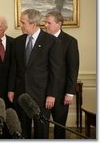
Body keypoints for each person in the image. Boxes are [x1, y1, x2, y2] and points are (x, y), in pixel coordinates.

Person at [8, 9, 63, 139]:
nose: (20, 25)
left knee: (41, 131)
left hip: (42, 95)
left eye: (23, 22)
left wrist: (51, 94)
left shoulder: (52, 41)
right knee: (23, 130)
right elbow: (14, 68)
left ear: (33, 23)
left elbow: (55, 71)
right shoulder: (18, 42)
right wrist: (11, 89)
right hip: (22, 94)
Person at [44, 11, 79, 139]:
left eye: (49, 23)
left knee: (59, 126)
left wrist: (70, 92)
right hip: (43, 91)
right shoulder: (42, 39)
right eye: (45, 22)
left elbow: (73, 69)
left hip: (61, 92)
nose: (45, 25)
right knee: (43, 125)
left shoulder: (70, 42)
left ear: (59, 24)